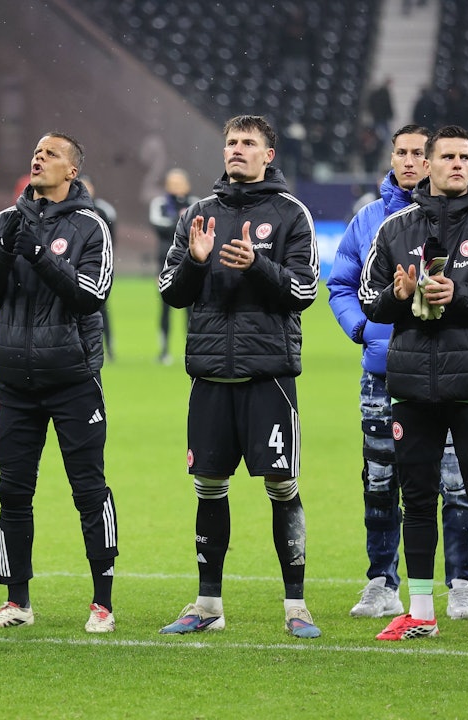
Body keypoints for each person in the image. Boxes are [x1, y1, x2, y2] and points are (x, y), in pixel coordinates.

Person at [359, 125, 468, 644]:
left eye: (465, 157)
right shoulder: (396, 228)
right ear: (429, 164)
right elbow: (370, 301)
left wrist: (459, 294)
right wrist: (399, 296)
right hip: (413, 384)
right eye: (449, 157)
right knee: (416, 499)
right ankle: (420, 612)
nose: (458, 164)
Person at [157, 115, 321, 639]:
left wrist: (258, 265)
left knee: (281, 484)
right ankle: (208, 605)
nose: (236, 149)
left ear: (268, 154)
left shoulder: (291, 213)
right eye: (231, 142)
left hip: (267, 375)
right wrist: (196, 262)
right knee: (208, 486)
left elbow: (304, 291)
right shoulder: (197, 213)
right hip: (210, 374)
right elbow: (171, 291)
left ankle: (296, 606)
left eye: (248, 143)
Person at [0, 132, 118, 633]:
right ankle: (17, 602)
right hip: (14, 383)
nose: (39, 157)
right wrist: (5, 250)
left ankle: (102, 604)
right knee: (12, 492)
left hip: (73, 379)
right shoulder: (3, 222)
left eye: (51, 154)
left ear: (72, 170)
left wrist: (39, 254)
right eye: (36, 151)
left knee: (88, 490)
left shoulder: (91, 225)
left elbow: (90, 295)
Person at [328, 125, 468, 621]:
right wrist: (362, 331)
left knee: (455, 480)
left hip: (445, 369)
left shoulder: (460, 217)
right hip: (384, 371)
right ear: (391, 158)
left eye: (418, 152)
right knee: (380, 478)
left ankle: (461, 584)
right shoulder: (368, 220)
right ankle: (381, 582)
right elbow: (341, 285)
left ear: (431, 160)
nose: (410, 161)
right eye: (401, 152)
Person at [149, 168, 198, 364]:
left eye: (179, 182)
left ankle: (192, 349)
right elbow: (159, 226)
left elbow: (198, 229)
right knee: (165, 307)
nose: (176, 186)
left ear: (187, 185)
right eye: (172, 182)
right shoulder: (160, 204)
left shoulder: (196, 203)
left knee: (192, 310)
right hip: (165, 264)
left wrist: (178, 223)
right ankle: (164, 351)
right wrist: (182, 222)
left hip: (192, 263)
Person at [81, 175, 117, 361]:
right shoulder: (70, 209)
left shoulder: (104, 210)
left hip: (98, 267)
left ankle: (108, 347)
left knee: (101, 308)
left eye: (88, 186)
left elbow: (112, 239)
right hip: (75, 268)